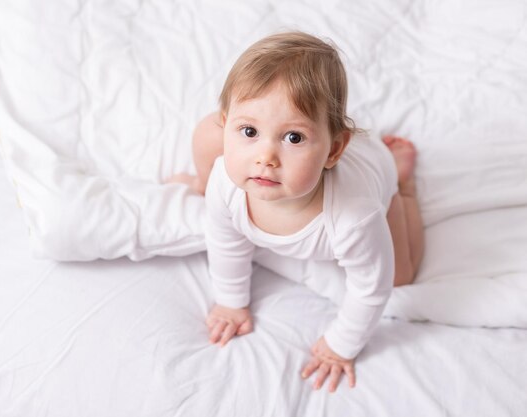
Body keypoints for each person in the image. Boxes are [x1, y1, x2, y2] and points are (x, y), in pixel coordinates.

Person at [167, 31, 424, 393]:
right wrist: (231, 302)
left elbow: (370, 290)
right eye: (249, 131)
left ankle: (405, 185)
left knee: (401, 275)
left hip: (379, 177)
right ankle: (221, 154)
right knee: (207, 136)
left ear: (334, 151)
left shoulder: (355, 217)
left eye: (294, 138)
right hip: (238, 152)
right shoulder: (228, 182)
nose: (266, 157)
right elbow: (225, 243)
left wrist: (341, 344)